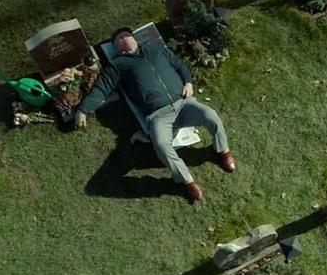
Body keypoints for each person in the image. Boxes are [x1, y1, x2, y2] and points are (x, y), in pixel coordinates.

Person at [74, 27, 235, 201]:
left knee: (211, 116)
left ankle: (223, 151)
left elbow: (178, 64)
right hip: (158, 116)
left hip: (183, 103)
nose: (123, 39)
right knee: (161, 145)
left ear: (135, 38)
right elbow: (102, 88)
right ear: (116, 48)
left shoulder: (154, 48)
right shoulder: (118, 65)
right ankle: (187, 181)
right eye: (118, 39)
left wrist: (188, 82)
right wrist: (83, 110)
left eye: (126, 35)